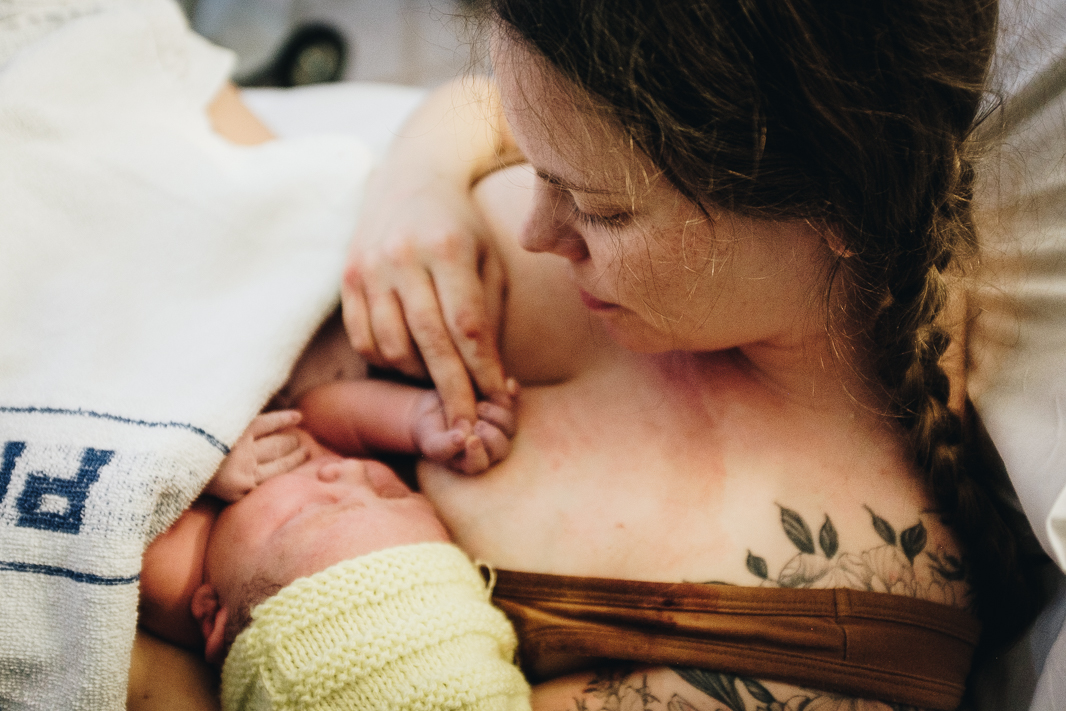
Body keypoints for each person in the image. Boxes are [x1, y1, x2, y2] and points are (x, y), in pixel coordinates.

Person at [336, 0, 1044, 709]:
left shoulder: (815, 647)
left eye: (602, 211)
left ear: (839, 207)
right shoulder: (651, 151)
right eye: (538, 167)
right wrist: (415, 184)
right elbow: (491, 108)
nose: (537, 232)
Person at [136, 405, 530, 711]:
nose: (354, 471)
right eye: (395, 496)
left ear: (212, 614)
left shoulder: (171, 570)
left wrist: (200, 463)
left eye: (309, 513)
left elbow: (110, 499)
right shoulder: (327, 516)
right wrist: (413, 418)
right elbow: (320, 411)